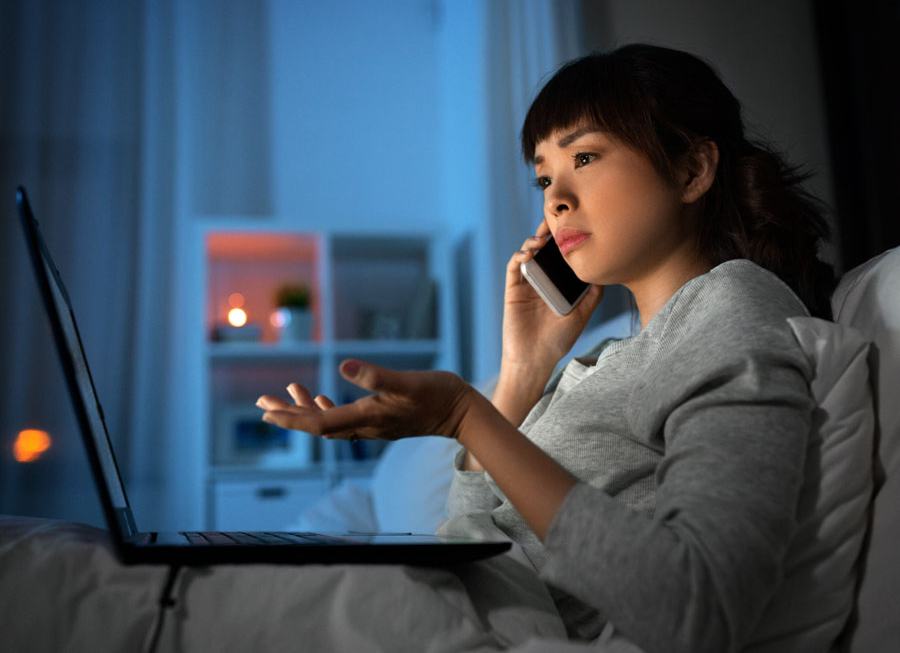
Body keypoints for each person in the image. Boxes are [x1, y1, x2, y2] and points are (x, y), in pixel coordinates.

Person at [257, 44, 835, 652]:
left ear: (692, 169)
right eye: (543, 176)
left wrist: (465, 416)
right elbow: (475, 525)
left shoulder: (732, 305)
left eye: (584, 156)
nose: (555, 197)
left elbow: (699, 607)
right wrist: (523, 369)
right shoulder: (608, 354)